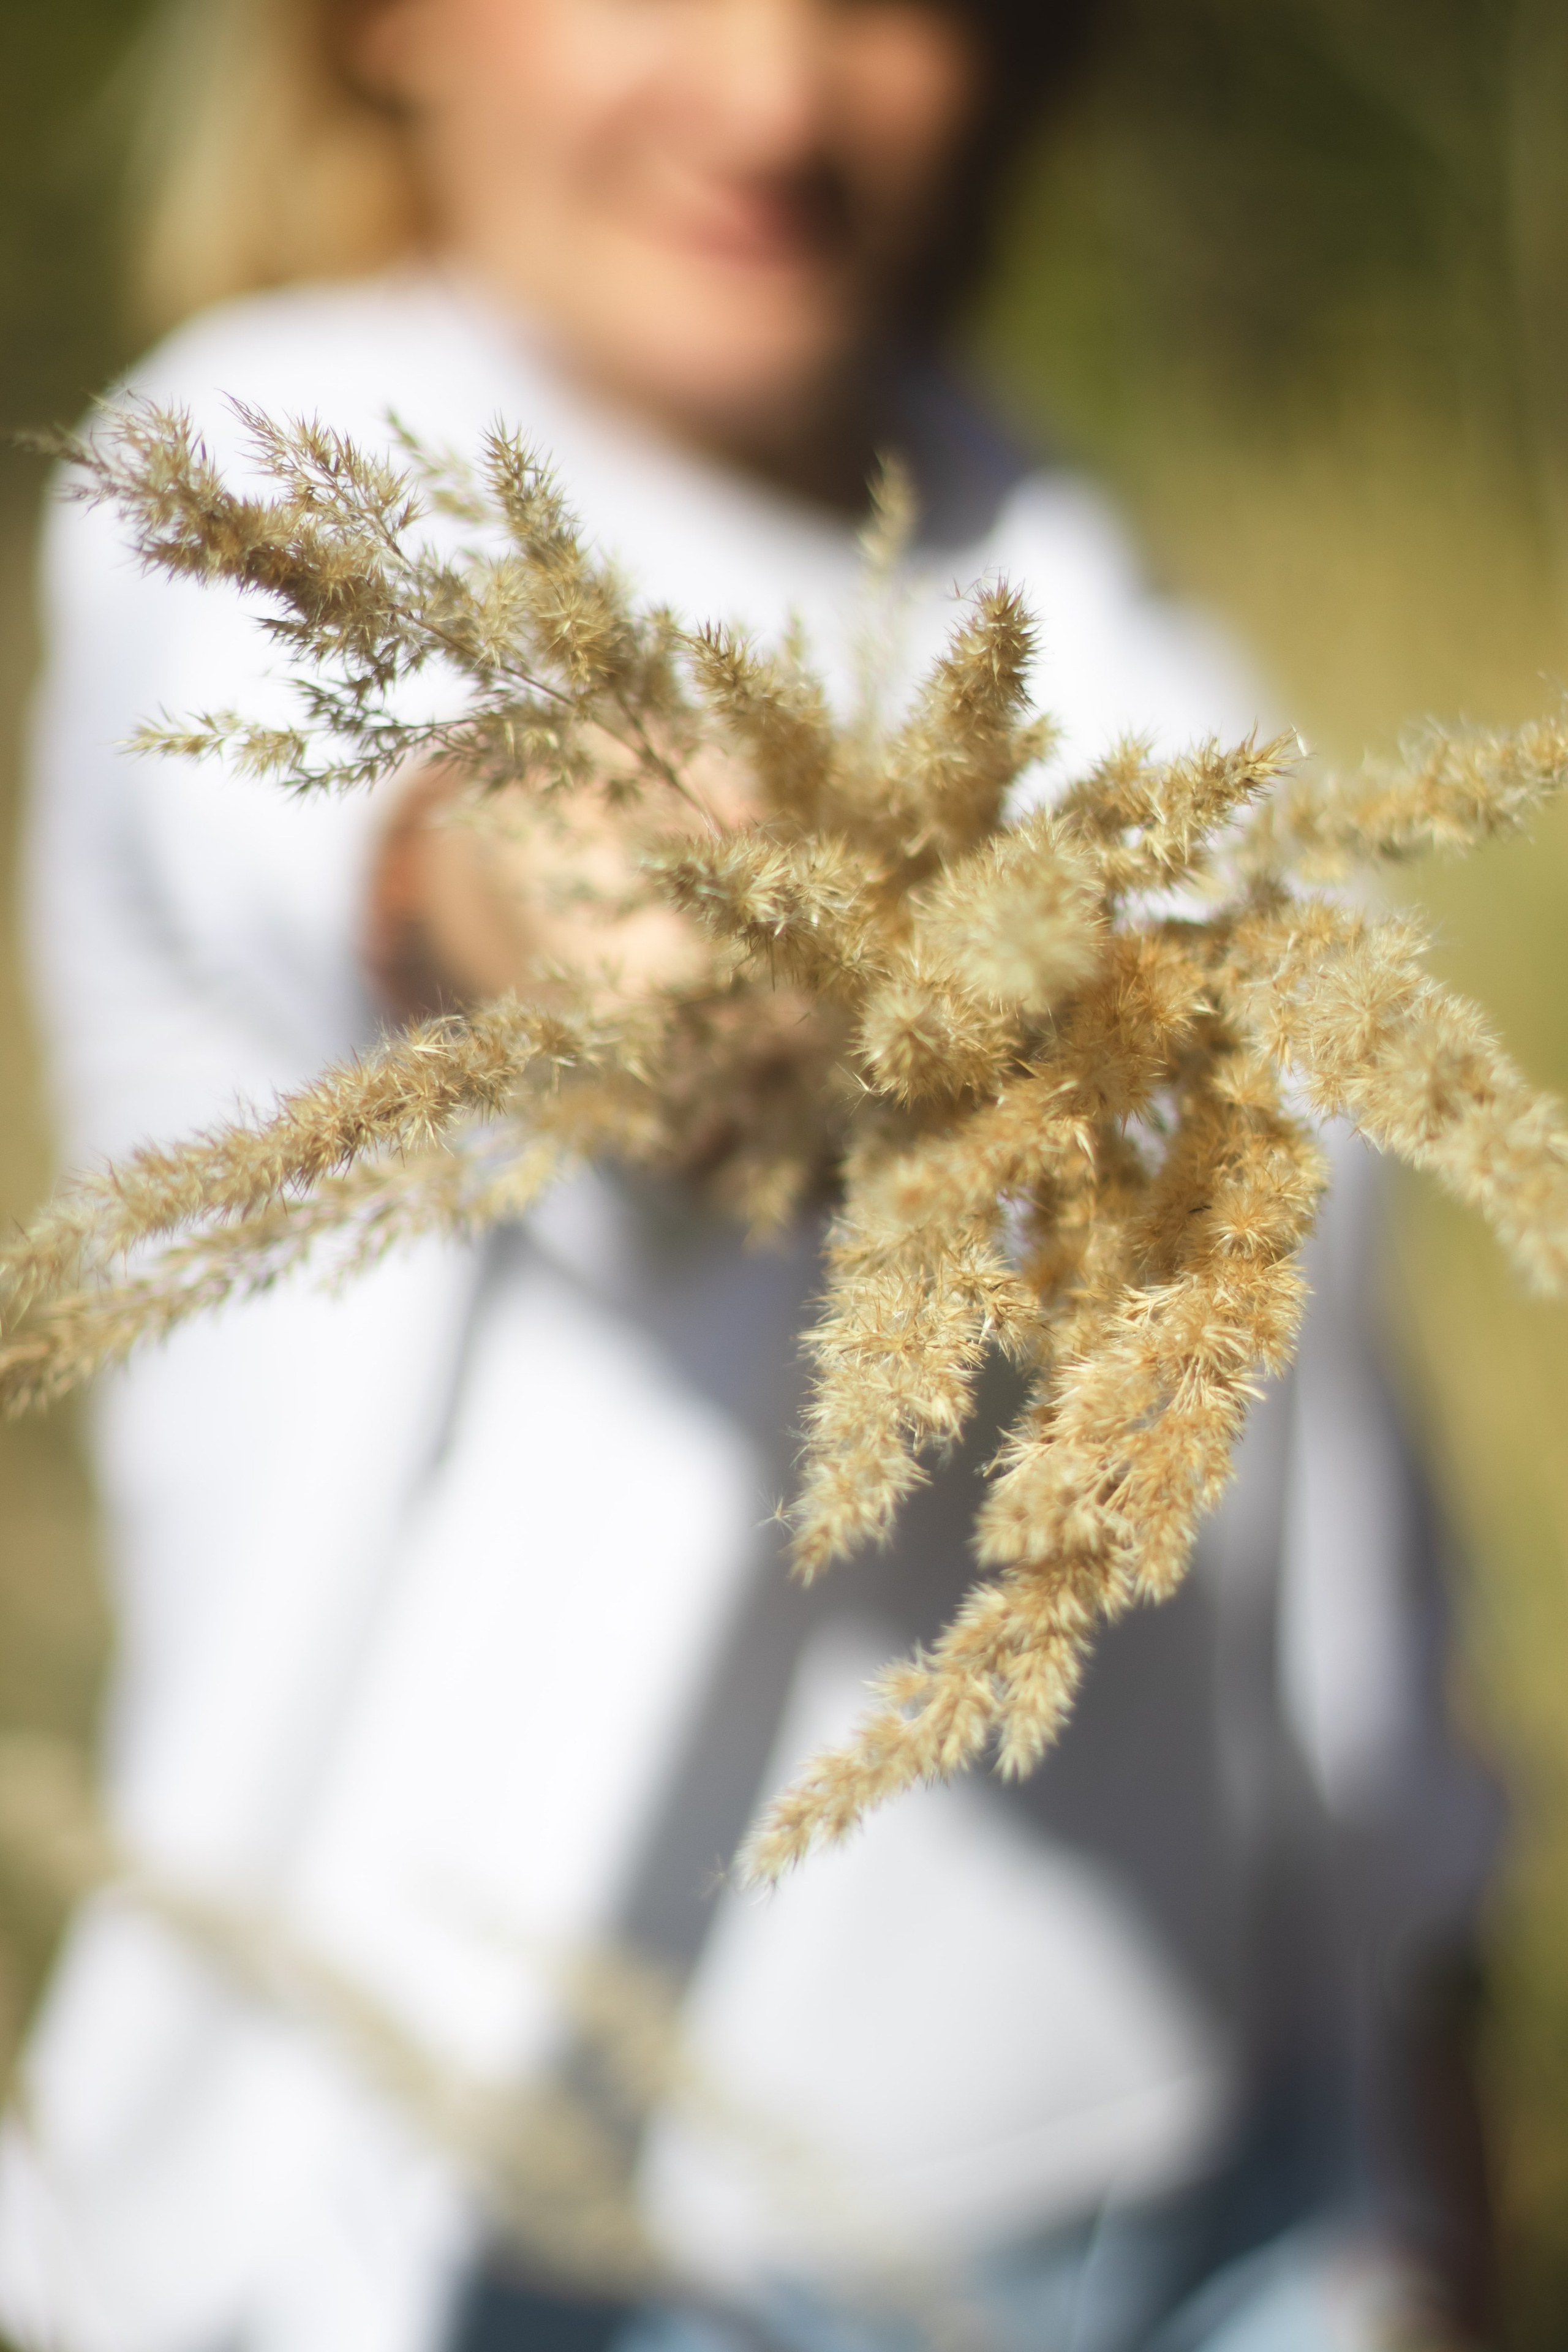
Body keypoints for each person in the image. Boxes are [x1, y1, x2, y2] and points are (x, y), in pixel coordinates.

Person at [0, 4, 1500, 2348]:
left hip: (1236, 2219)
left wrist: (1409, 2120)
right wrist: (673, 919)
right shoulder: (265, 455)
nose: (772, 98)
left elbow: (1324, 1494)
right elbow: (463, 830)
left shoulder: (1048, 545)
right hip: (552, 2273)